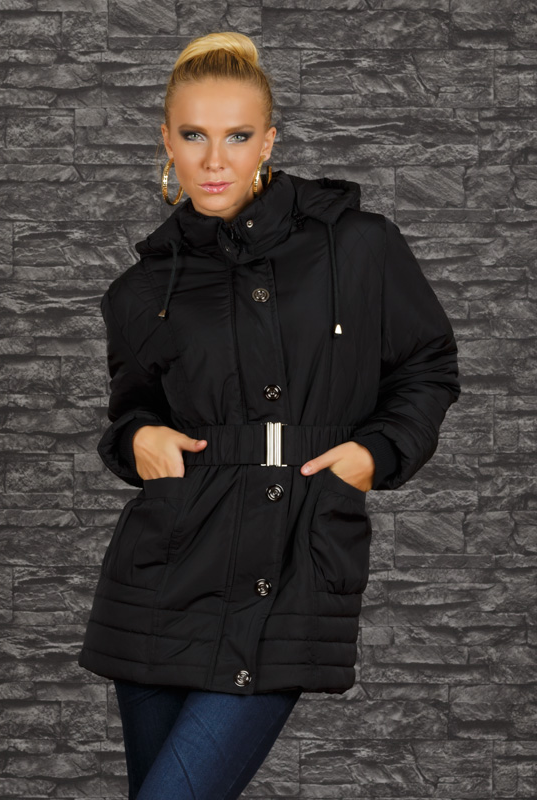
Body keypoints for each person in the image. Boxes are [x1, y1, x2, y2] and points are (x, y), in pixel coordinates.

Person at [78, 30, 461, 799]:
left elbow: (428, 364)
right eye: (194, 136)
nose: (214, 160)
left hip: (289, 569)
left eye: (237, 136)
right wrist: (138, 436)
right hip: (161, 578)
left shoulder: (357, 245)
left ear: (269, 142)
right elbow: (132, 412)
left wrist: (375, 453)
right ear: (167, 142)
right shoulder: (142, 289)